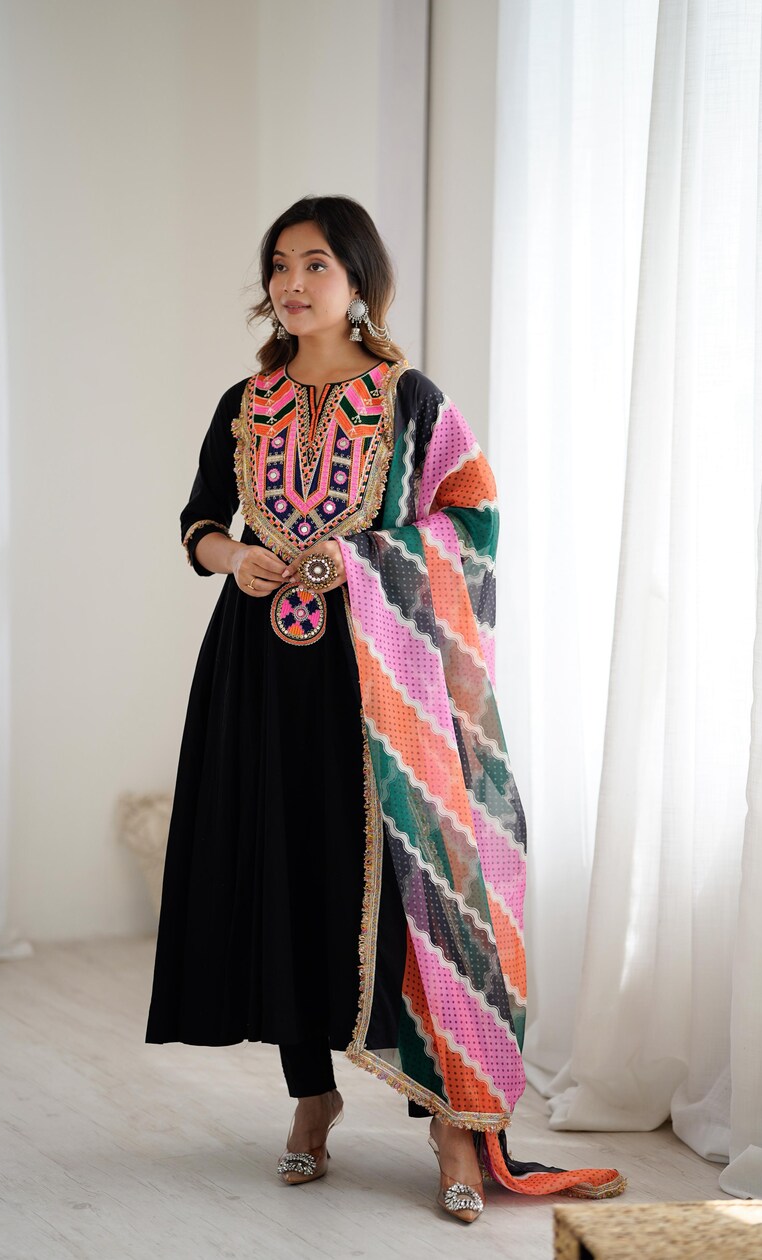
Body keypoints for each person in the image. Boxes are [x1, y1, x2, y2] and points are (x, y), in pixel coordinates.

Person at [145, 195, 626, 1223]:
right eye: (280, 264)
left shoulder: (411, 403)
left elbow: (474, 519)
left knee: (416, 886)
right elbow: (199, 519)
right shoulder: (245, 401)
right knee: (285, 871)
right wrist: (234, 559)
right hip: (259, 671)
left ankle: (451, 1121)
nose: (292, 282)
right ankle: (310, 1098)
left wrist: (360, 559)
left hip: (382, 677)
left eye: (315, 263)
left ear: (359, 280)